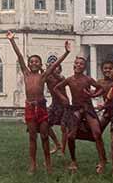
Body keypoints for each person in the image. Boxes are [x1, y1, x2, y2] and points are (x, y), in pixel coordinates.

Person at [6, 31, 71, 174]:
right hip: (30, 108)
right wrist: (12, 41)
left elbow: (55, 65)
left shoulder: (43, 76)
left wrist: (66, 53)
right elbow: (20, 56)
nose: (34, 63)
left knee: (44, 136)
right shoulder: (26, 73)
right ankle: (33, 164)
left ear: (40, 64)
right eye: (31, 62)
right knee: (32, 138)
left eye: (36, 62)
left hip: (41, 108)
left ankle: (48, 165)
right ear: (28, 65)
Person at [54, 56, 108, 173]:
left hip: (88, 108)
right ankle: (73, 161)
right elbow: (56, 88)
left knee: (97, 133)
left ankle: (102, 160)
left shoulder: (88, 79)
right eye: (77, 63)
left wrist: (93, 95)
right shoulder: (69, 79)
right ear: (74, 65)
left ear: (85, 67)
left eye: (81, 64)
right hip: (76, 109)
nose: (79, 65)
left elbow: (101, 89)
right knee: (70, 136)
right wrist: (63, 98)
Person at [44, 67, 68, 155]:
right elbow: (41, 78)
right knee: (45, 124)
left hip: (64, 103)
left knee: (63, 127)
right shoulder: (48, 78)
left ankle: (63, 150)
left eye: (57, 67)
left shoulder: (61, 78)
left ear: (60, 70)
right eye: (53, 67)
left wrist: (50, 70)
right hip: (54, 104)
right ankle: (57, 144)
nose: (54, 69)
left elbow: (59, 78)